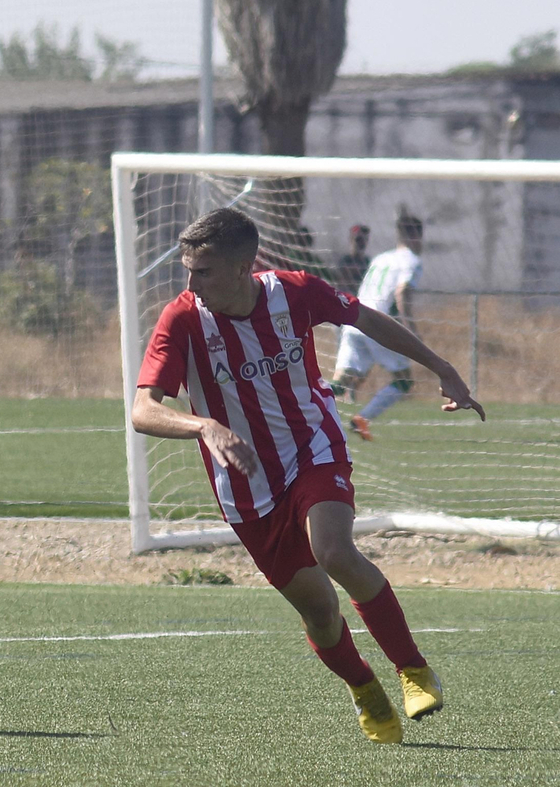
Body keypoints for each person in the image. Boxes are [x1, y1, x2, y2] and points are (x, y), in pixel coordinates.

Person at [130, 207, 483, 743]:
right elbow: (142, 410)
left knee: (334, 551)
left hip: (313, 445)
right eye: (187, 270)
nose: (191, 283)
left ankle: (414, 671)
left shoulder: (294, 292)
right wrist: (203, 426)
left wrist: (444, 368)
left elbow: (366, 319)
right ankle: (364, 686)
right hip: (246, 483)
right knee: (319, 611)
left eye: (204, 271)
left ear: (245, 266)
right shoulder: (182, 320)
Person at [331, 210, 424, 441]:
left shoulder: (381, 258)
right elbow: (402, 292)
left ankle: (297, 399)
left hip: (354, 321)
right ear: (417, 237)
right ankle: (363, 419)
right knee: (404, 381)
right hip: (377, 324)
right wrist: (410, 329)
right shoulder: (411, 260)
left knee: (340, 383)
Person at [333, 223, 370, 293]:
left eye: (364, 240)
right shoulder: (345, 261)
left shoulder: (368, 262)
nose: (361, 243)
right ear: (351, 240)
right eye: (358, 240)